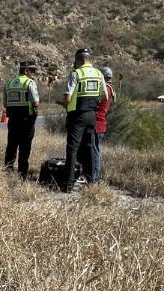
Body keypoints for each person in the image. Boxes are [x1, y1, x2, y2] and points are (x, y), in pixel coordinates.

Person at [58, 48, 106, 191]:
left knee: (72, 148)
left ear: (79, 60)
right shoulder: (98, 73)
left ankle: (69, 183)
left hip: (77, 115)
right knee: (90, 147)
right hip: (92, 115)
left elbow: (67, 98)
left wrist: (63, 103)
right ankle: (90, 180)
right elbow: (104, 96)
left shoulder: (76, 74)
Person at [3, 61, 41, 178]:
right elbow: (35, 102)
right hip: (27, 120)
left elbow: (5, 104)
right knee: (25, 147)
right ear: (26, 71)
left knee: (11, 146)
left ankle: (8, 171)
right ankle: (22, 174)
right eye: (32, 70)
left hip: (13, 120)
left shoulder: (8, 83)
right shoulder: (29, 82)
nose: (34, 73)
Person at [91, 66, 116, 183]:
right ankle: (94, 176)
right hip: (100, 124)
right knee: (95, 150)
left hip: (97, 123)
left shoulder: (105, 88)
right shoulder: (109, 88)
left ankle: (94, 178)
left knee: (95, 151)